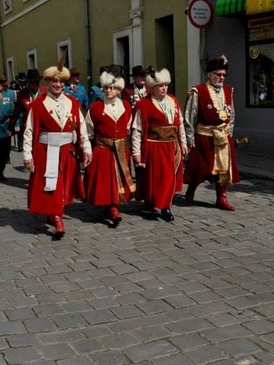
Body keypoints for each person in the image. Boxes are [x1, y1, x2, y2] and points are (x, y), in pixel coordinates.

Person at [23, 64, 92, 239]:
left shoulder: (73, 102)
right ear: (48, 82)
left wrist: (86, 148)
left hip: (68, 152)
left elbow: (81, 127)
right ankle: (57, 218)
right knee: (51, 183)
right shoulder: (38, 104)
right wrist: (27, 155)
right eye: (55, 81)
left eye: (61, 81)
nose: (58, 85)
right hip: (47, 151)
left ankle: (53, 211)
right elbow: (29, 131)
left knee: (63, 185)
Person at [183, 55, 240, 210]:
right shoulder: (198, 91)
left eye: (223, 75)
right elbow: (189, 117)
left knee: (223, 168)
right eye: (218, 74)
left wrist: (230, 134)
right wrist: (189, 138)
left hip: (222, 137)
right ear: (209, 74)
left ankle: (221, 198)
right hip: (205, 136)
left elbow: (232, 115)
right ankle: (192, 187)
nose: (221, 77)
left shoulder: (229, 91)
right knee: (201, 167)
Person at [131, 68, 188, 222]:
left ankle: (165, 206)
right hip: (153, 147)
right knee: (155, 178)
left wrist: (183, 142)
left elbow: (180, 123)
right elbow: (137, 129)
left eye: (166, 85)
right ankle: (153, 201)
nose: (164, 88)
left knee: (168, 178)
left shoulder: (173, 101)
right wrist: (136, 153)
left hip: (171, 146)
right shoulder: (143, 104)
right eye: (160, 86)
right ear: (152, 88)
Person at [83, 73, 134, 226]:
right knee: (106, 180)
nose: (108, 91)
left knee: (118, 180)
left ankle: (114, 205)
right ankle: (111, 207)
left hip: (121, 149)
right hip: (102, 149)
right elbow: (89, 131)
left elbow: (128, 127)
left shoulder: (126, 106)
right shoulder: (95, 108)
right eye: (106, 88)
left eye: (112, 88)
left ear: (118, 89)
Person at [11, 69, 46, 153]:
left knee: (42, 150)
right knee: (30, 150)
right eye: (32, 82)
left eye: (36, 82)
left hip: (43, 126)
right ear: (28, 82)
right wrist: (11, 126)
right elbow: (16, 112)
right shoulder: (21, 94)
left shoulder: (45, 92)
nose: (34, 84)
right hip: (28, 126)